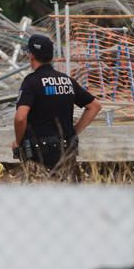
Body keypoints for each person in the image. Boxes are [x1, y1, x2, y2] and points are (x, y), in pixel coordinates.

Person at [12, 34, 102, 170]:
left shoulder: (31, 82)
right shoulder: (67, 80)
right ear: (51, 56)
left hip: (39, 156)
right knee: (65, 190)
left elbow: (20, 118)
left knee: (39, 190)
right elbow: (94, 106)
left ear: (31, 55)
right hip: (67, 151)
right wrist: (74, 132)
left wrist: (18, 142)